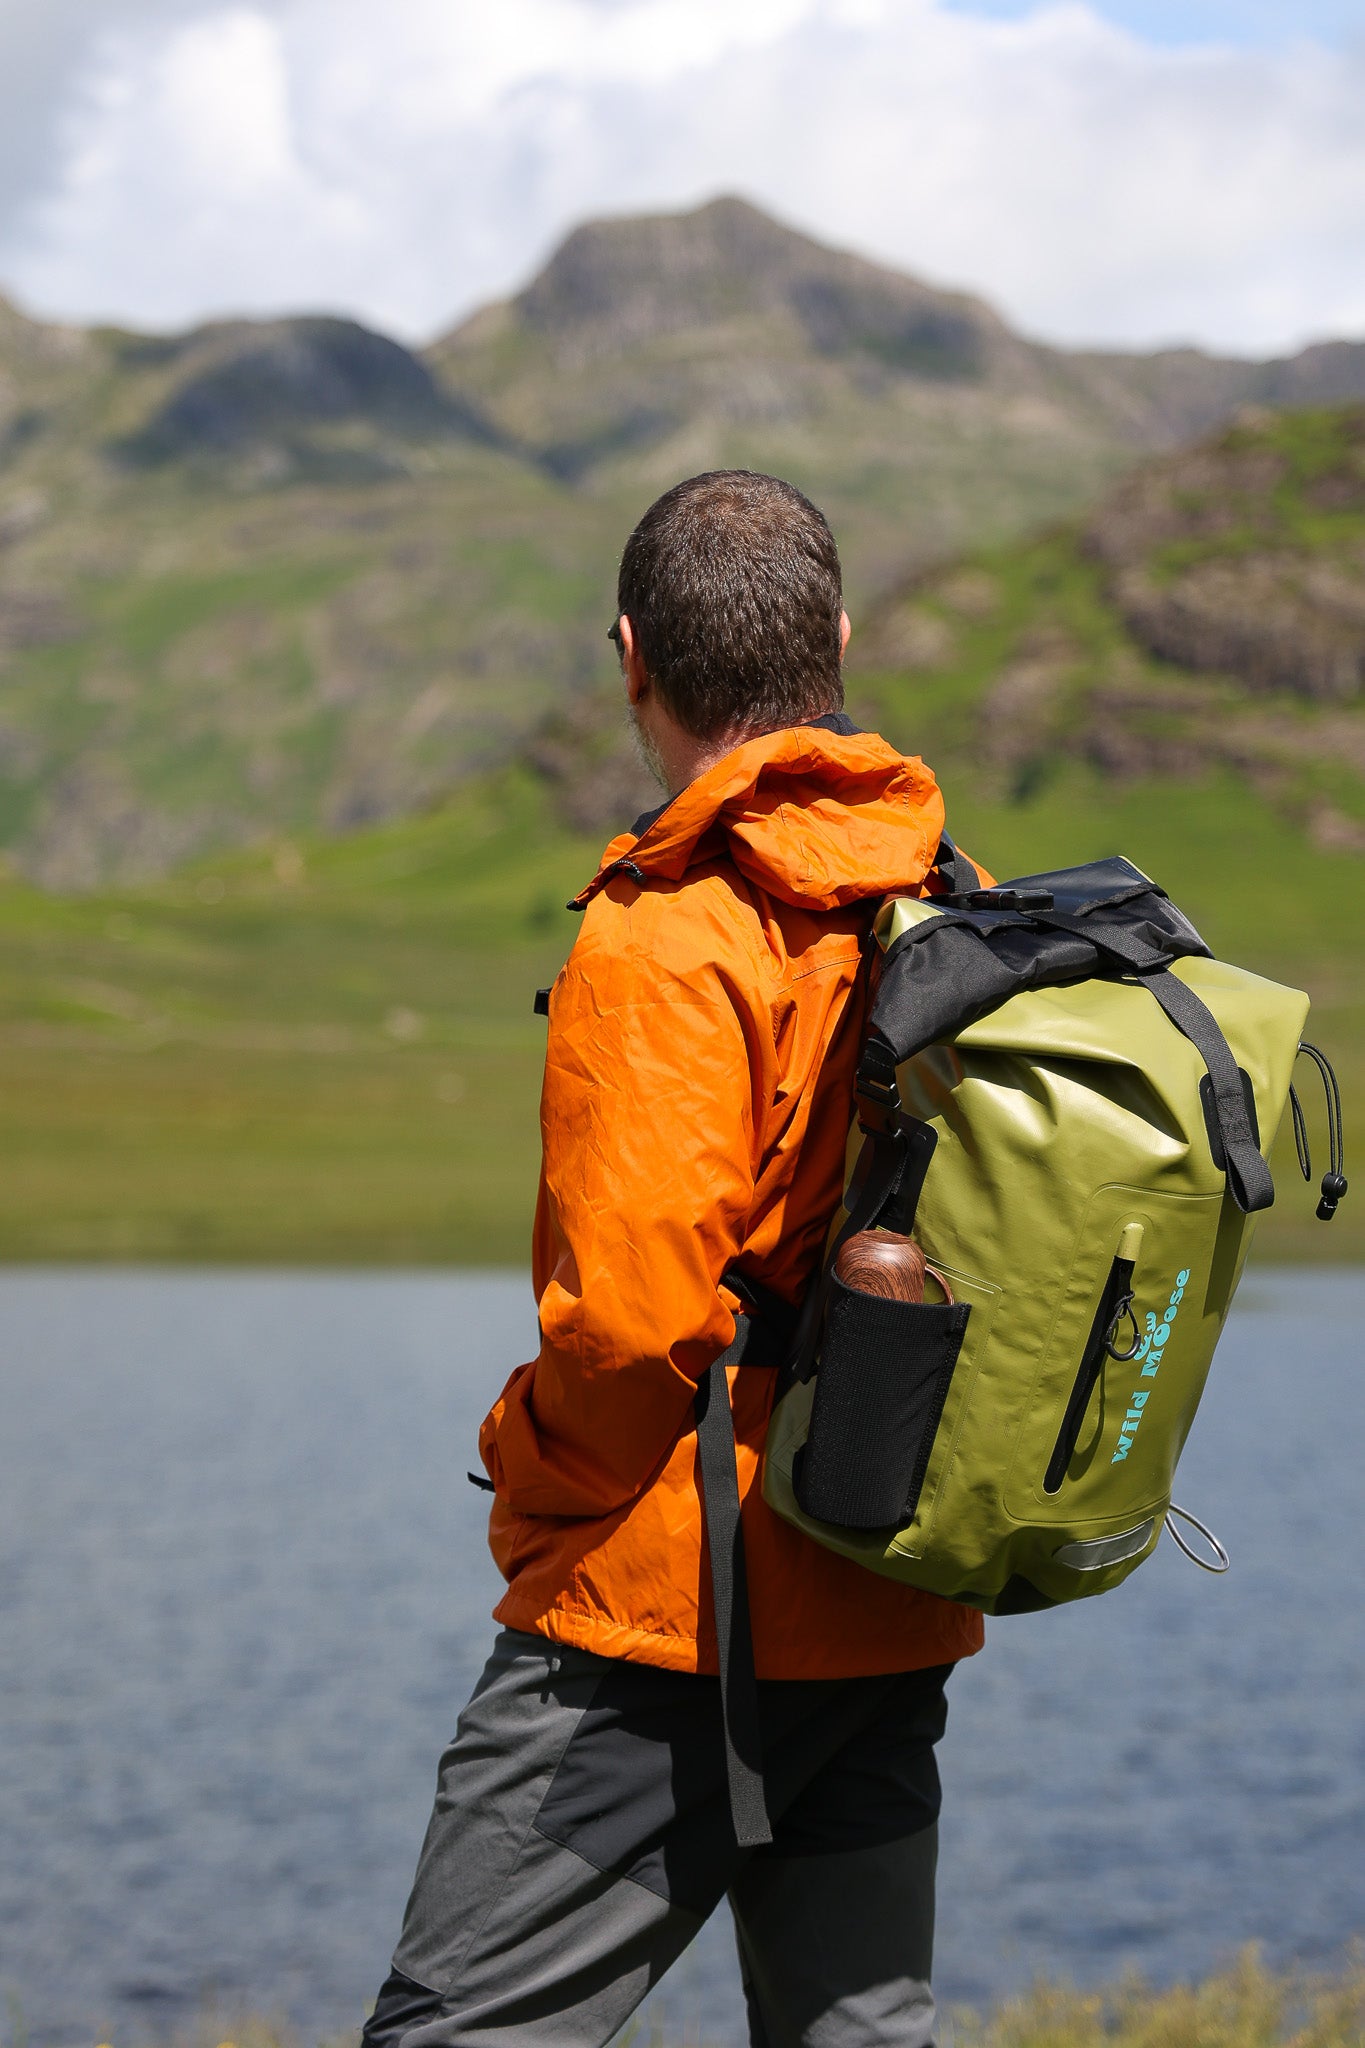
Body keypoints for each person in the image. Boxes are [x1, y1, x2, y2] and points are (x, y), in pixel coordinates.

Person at [361, 471, 985, 2048]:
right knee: (861, 2035)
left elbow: (636, 1326)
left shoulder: (666, 930)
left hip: (663, 1622)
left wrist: (523, 1466)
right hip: (879, 1587)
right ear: (834, 644)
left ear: (629, 656)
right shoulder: (945, 898)